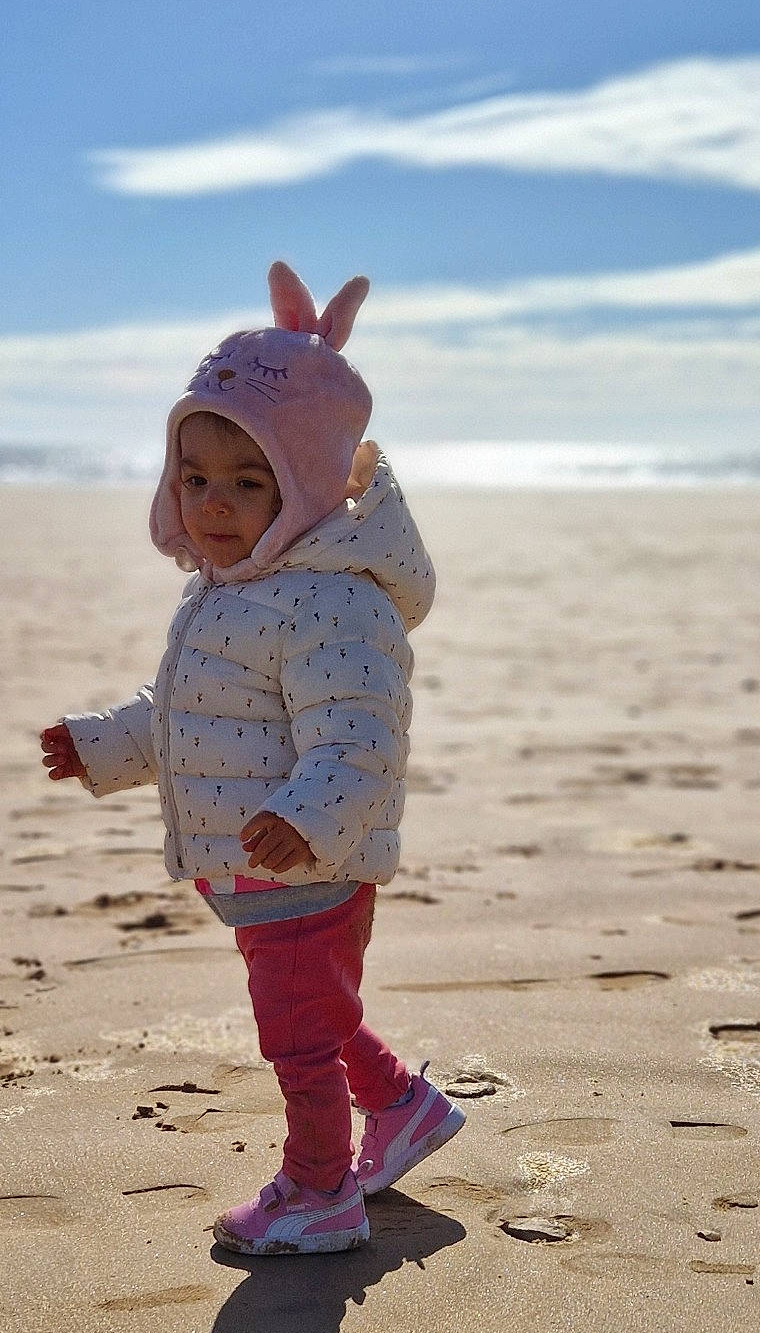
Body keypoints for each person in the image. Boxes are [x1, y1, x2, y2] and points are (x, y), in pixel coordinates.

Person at [39, 262, 464, 1254]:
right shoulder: (231, 587)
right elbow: (191, 718)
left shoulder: (333, 598)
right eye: (194, 481)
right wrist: (105, 742)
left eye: (246, 482)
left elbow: (358, 737)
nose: (212, 506)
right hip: (261, 864)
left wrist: (310, 818)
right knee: (317, 1008)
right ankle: (399, 1107)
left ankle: (319, 1191)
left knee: (296, 1036)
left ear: (307, 487)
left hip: (306, 860)